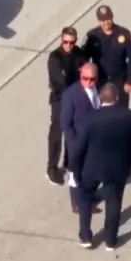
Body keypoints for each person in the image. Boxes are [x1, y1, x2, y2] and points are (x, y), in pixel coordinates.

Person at [69, 83, 131, 251]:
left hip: (91, 167)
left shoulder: (89, 119)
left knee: (85, 199)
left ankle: (85, 236)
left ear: (100, 99)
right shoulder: (129, 116)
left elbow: (79, 148)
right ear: (116, 98)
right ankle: (110, 240)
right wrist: (129, 165)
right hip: (117, 167)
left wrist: (74, 168)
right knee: (114, 202)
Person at [60, 63, 103, 215]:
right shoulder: (70, 95)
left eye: (92, 79)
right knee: (75, 174)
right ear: (80, 76)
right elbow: (65, 123)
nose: (89, 83)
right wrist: (74, 144)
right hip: (78, 142)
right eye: (85, 79)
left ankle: (89, 196)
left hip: (93, 140)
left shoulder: (96, 89)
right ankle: (77, 203)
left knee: (90, 171)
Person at [46, 26, 87, 185]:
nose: (69, 45)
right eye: (65, 42)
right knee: (57, 133)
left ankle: (69, 162)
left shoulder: (79, 54)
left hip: (75, 98)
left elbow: (83, 73)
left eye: (72, 42)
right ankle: (52, 168)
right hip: (60, 99)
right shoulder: (55, 57)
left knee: (73, 132)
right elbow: (58, 81)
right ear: (61, 40)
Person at [83, 5, 131, 107]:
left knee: (121, 109)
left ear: (112, 17)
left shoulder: (124, 34)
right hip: (99, 80)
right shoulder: (92, 36)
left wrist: (130, 81)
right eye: (103, 20)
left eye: (108, 19)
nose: (106, 22)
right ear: (98, 20)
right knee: (100, 110)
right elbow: (84, 60)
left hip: (119, 81)